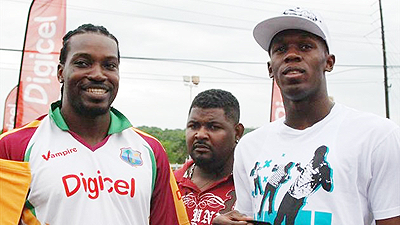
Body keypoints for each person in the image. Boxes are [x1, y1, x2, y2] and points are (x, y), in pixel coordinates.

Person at [212, 6, 400, 225]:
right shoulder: (250, 146)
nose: (292, 55)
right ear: (270, 68)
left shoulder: (377, 136)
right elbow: (246, 217)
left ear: (328, 62)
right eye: (280, 49)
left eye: (305, 46)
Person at [0, 24, 189, 225]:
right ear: (61, 72)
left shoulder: (150, 150)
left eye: (110, 65)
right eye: (83, 63)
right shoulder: (14, 146)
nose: (98, 75)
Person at [174, 89, 245, 225]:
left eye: (213, 127)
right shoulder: (169, 184)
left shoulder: (252, 186)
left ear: (237, 132)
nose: (200, 135)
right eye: (193, 126)